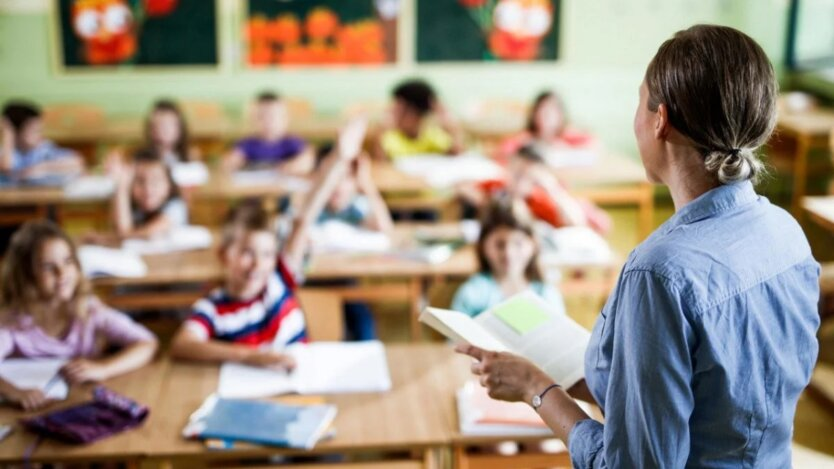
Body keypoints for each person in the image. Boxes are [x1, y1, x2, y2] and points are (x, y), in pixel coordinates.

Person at [457, 25, 820, 467]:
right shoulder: (787, 232)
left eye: (638, 100)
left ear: (659, 120)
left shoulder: (659, 272)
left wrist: (537, 389)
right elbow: (719, 399)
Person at [169, 119, 370, 364]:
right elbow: (182, 345)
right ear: (224, 255)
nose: (257, 265)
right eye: (246, 253)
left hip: (302, 387)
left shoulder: (279, 280)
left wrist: (339, 158)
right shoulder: (213, 308)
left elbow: (305, 217)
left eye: (266, 255)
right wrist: (253, 356)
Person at [0, 221, 158, 411]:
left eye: (68, 261)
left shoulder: (89, 310)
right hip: (26, 413)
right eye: (48, 267)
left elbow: (147, 343)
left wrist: (104, 369)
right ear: (26, 275)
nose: (62, 273)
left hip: (82, 404)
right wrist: (13, 391)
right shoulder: (13, 322)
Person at [457, 144, 611, 234]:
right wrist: (486, 202)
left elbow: (575, 222)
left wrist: (551, 187)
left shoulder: (537, 200)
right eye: (516, 174)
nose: (518, 182)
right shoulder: (498, 187)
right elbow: (462, 188)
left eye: (526, 177)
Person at [452, 197, 564, 317]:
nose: (508, 253)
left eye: (518, 244)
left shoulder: (546, 293)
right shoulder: (473, 293)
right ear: (483, 246)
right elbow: (452, 333)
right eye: (500, 245)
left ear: (533, 244)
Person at [222, 91, 314, 175]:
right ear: (252, 119)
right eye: (261, 117)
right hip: (254, 189)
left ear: (285, 118)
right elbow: (228, 163)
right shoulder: (248, 143)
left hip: (284, 190)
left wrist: (291, 166)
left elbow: (307, 162)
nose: (267, 122)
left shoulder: (292, 142)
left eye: (273, 116)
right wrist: (233, 163)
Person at [372, 79, 465, 160]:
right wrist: (379, 135)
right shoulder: (390, 137)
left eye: (401, 112)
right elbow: (380, 164)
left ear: (418, 114)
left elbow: (457, 156)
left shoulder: (433, 136)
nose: (395, 116)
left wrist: (454, 131)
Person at [0, 101, 84, 179]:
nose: (40, 135)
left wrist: (40, 168)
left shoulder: (43, 149)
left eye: (40, 130)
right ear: (15, 132)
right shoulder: (7, 152)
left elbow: (77, 162)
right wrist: (8, 134)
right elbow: (6, 168)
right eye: (34, 131)